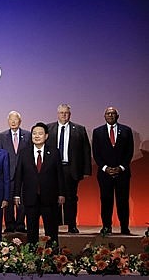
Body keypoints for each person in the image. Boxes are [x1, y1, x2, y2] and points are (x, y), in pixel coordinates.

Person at [13, 123, 65, 246]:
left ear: (46, 136)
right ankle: (32, 257)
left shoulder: (54, 152)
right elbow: (18, 175)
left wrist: (61, 193)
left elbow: (59, 175)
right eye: (34, 133)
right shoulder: (24, 152)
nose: (37, 136)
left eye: (40, 133)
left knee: (51, 231)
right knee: (31, 231)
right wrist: (16, 194)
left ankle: (52, 256)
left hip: (49, 198)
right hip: (31, 198)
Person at [46, 104, 92, 233]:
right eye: (61, 112)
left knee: (71, 198)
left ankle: (71, 225)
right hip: (52, 169)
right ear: (57, 114)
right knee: (52, 198)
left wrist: (86, 170)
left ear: (70, 114)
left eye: (66, 113)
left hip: (70, 169)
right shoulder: (49, 128)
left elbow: (86, 150)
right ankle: (55, 224)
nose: (64, 115)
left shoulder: (79, 129)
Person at [92, 106, 134, 235]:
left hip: (122, 173)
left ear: (117, 116)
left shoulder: (126, 130)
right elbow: (96, 153)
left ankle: (124, 227)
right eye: (108, 113)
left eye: (113, 113)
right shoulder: (97, 132)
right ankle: (106, 227)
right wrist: (105, 168)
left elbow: (129, 151)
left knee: (123, 201)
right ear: (104, 116)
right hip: (105, 174)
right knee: (106, 201)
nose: (110, 115)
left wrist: (121, 167)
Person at [0, 111, 30, 233]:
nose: (13, 122)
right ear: (8, 121)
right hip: (7, 173)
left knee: (22, 200)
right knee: (8, 200)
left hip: (23, 174)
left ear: (20, 121)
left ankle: (21, 224)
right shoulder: (2, 136)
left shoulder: (27, 135)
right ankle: (9, 225)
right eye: (11, 119)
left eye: (15, 119)